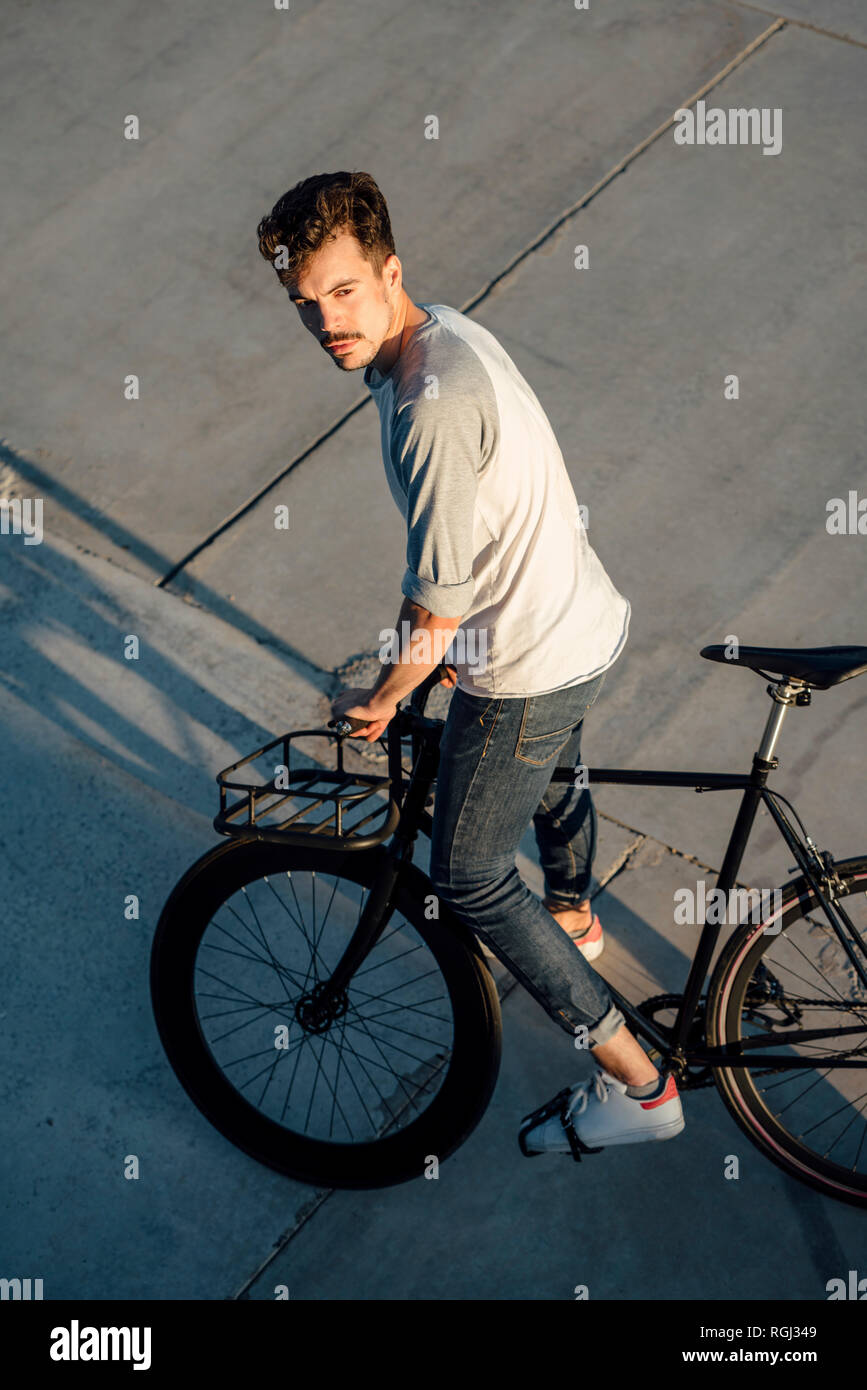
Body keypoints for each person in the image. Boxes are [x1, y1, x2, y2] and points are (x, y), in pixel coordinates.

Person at [256, 171, 684, 1156]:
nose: (326, 321)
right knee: (551, 777)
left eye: (344, 292)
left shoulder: (428, 406)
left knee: (473, 871)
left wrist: (384, 693)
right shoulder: (439, 330)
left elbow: (439, 604)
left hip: (528, 656)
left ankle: (639, 1085)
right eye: (306, 303)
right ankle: (573, 917)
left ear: (389, 272)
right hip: (578, 615)